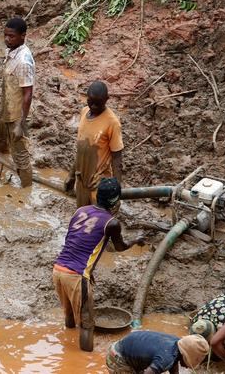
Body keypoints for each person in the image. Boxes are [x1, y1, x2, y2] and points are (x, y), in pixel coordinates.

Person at [52, 178, 144, 351]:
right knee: (87, 325)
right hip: (77, 275)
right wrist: (135, 241)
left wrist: (89, 269)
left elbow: (75, 240)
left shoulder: (80, 210)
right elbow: (119, 247)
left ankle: (67, 347)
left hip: (58, 269)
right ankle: (83, 362)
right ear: (115, 202)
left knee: (70, 314)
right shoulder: (112, 223)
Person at [66, 80, 124, 208]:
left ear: (106, 100)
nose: (93, 106)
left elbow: (117, 158)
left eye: (98, 103)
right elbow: (81, 150)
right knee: (82, 216)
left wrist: (116, 188)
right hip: (81, 180)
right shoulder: (83, 112)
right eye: (90, 101)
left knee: (98, 221)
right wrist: (71, 175)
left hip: (98, 183)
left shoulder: (112, 123)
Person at [0, 17, 34, 187]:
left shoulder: (23, 61)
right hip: (6, 110)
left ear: (23, 36)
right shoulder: (11, 51)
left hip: (16, 115)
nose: (7, 39)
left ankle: (26, 189)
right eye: (5, 35)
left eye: (11, 36)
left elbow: (28, 94)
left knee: (21, 156)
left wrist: (20, 124)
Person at [105, 331, 209, 373]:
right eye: (188, 363)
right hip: (118, 358)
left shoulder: (177, 344)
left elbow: (174, 363)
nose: (186, 367)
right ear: (184, 355)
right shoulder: (166, 358)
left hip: (123, 347)